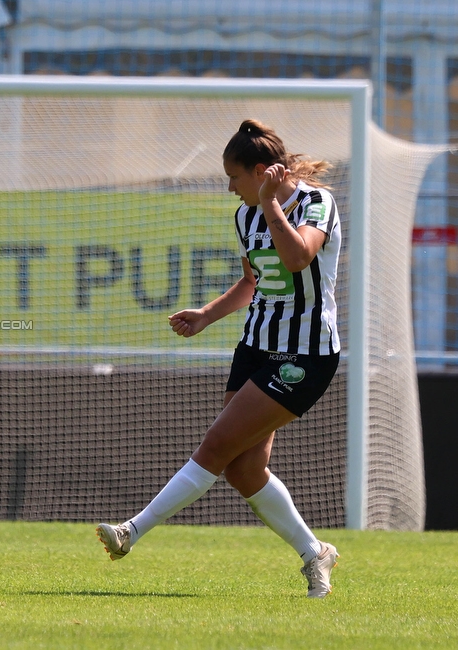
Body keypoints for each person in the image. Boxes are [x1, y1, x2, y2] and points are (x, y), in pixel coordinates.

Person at [96, 119, 342, 598]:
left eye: (235, 177)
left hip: (305, 354)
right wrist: (208, 314)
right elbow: (254, 282)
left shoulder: (315, 203)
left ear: (260, 171)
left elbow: (296, 259)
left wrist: (271, 202)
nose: (230, 188)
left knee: (215, 447)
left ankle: (132, 531)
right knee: (242, 469)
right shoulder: (247, 215)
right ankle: (316, 553)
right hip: (255, 347)